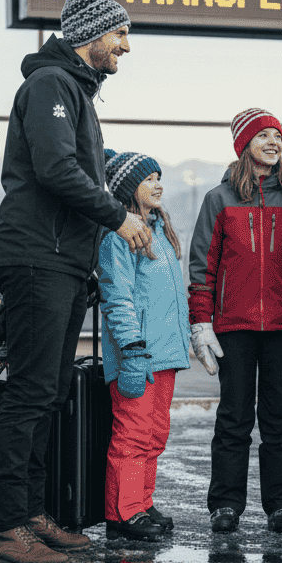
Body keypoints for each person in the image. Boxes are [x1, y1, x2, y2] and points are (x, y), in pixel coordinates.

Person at [0, 0, 152, 563]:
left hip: (63, 261)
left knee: (48, 393)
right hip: (37, 257)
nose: (124, 48)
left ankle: (29, 514)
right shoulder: (51, 86)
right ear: (91, 33)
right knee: (29, 392)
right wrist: (119, 215)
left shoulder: (74, 91)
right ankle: (5, 528)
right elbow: (57, 170)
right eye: (119, 36)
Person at [188, 108, 282, 535]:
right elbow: (202, 268)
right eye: (263, 136)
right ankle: (225, 504)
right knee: (234, 417)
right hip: (235, 327)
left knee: (280, 417)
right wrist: (200, 323)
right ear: (244, 145)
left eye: (277, 137)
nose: (273, 142)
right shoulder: (219, 199)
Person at [97, 150, 192, 542]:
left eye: (159, 176)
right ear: (127, 188)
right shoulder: (119, 237)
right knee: (132, 434)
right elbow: (117, 296)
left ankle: (142, 502)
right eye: (149, 178)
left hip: (165, 354)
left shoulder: (158, 231)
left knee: (155, 435)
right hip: (138, 355)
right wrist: (131, 348)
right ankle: (124, 513)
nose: (159, 184)